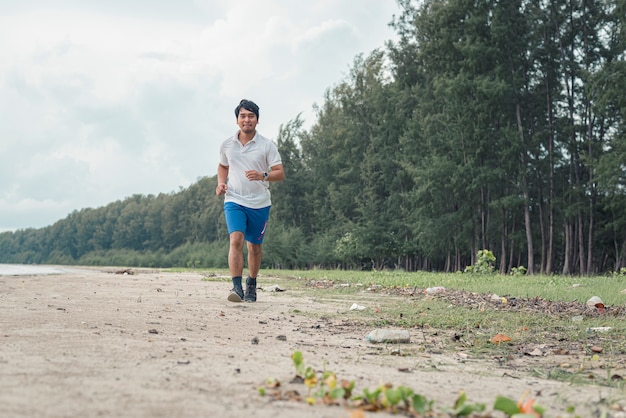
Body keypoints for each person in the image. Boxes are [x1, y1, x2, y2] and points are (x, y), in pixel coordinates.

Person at [215, 99, 285, 302]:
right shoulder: (227, 144)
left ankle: (251, 283)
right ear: (237, 120)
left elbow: (279, 173)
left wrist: (263, 175)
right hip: (234, 199)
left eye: (251, 116)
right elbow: (223, 166)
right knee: (235, 239)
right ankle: (236, 288)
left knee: (254, 247)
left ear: (257, 120)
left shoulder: (266, 145)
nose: (247, 120)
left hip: (259, 203)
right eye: (243, 116)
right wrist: (221, 183)